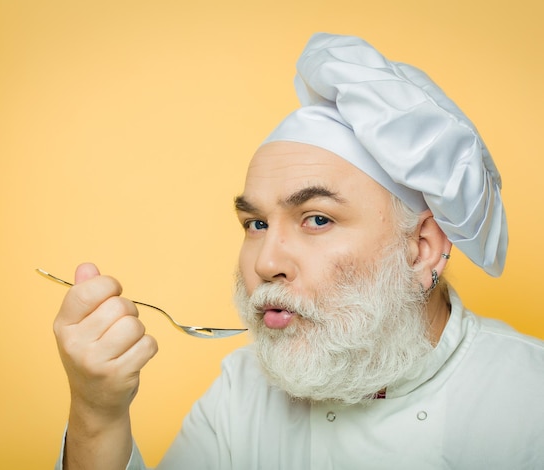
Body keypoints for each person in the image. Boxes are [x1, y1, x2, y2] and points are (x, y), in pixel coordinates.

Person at [52, 34, 544, 469]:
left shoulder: (529, 399)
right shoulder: (242, 390)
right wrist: (97, 413)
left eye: (317, 219)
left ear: (421, 249)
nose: (265, 263)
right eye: (256, 223)